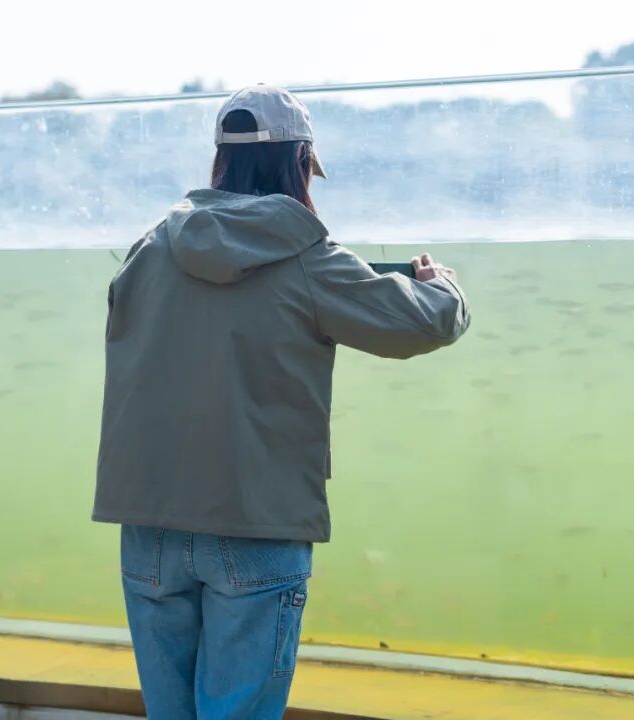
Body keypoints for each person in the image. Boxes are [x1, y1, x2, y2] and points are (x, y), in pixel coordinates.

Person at [92, 84, 470, 720]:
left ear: (219, 162)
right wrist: (445, 287)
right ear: (301, 163)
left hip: (148, 527)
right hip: (256, 525)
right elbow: (422, 323)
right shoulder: (307, 255)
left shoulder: (149, 249)